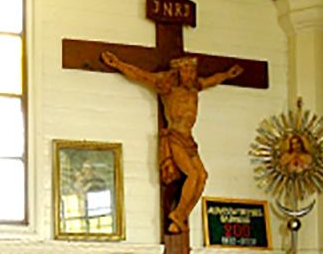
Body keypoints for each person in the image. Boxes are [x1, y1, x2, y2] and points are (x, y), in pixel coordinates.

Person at [100, 52, 242, 233]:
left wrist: (227, 75)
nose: (190, 75)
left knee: (203, 177)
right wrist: (118, 64)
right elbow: (141, 75)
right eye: (186, 71)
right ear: (178, 72)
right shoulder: (167, 86)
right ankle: (178, 215)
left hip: (189, 139)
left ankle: (181, 216)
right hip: (175, 136)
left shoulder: (195, 87)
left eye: (192, 71)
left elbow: (212, 80)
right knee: (193, 175)